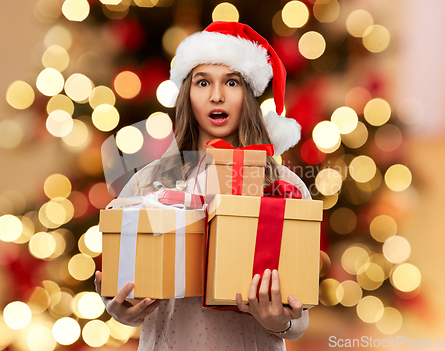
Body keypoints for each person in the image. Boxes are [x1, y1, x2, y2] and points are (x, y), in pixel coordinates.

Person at [95, 21, 312, 350]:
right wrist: (120, 311)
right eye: (202, 82)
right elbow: (122, 288)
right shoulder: (147, 181)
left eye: (232, 81)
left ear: (249, 95)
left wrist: (281, 321)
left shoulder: (284, 187)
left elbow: (301, 316)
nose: (217, 95)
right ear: (187, 94)